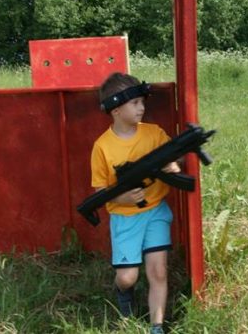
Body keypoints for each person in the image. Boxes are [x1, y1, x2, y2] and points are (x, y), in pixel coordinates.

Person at [91, 72, 180, 334]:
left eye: (143, 102)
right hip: (125, 218)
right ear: (116, 109)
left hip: (155, 212)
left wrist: (172, 166)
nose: (142, 108)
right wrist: (123, 197)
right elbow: (100, 191)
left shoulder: (154, 134)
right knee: (127, 277)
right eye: (136, 103)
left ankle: (156, 326)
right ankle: (123, 294)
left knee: (158, 272)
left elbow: (172, 161)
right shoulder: (102, 147)